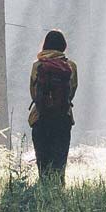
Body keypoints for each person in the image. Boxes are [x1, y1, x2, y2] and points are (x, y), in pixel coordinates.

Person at [28, 29, 77, 183]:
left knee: (43, 165)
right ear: (63, 45)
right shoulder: (71, 66)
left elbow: (33, 93)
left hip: (40, 118)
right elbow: (72, 91)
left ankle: (43, 195)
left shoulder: (37, 66)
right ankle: (58, 195)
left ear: (45, 45)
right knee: (59, 163)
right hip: (63, 118)